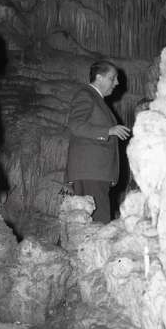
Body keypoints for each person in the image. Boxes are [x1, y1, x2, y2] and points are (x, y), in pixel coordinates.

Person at [66, 60, 130, 223]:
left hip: (96, 172)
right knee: (98, 222)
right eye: (112, 78)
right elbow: (75, 125)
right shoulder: (86, 95)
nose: (116, 83)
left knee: (91, 221)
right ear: (99, 78)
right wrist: (107, 131)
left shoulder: (98, 100)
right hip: (91, 171)